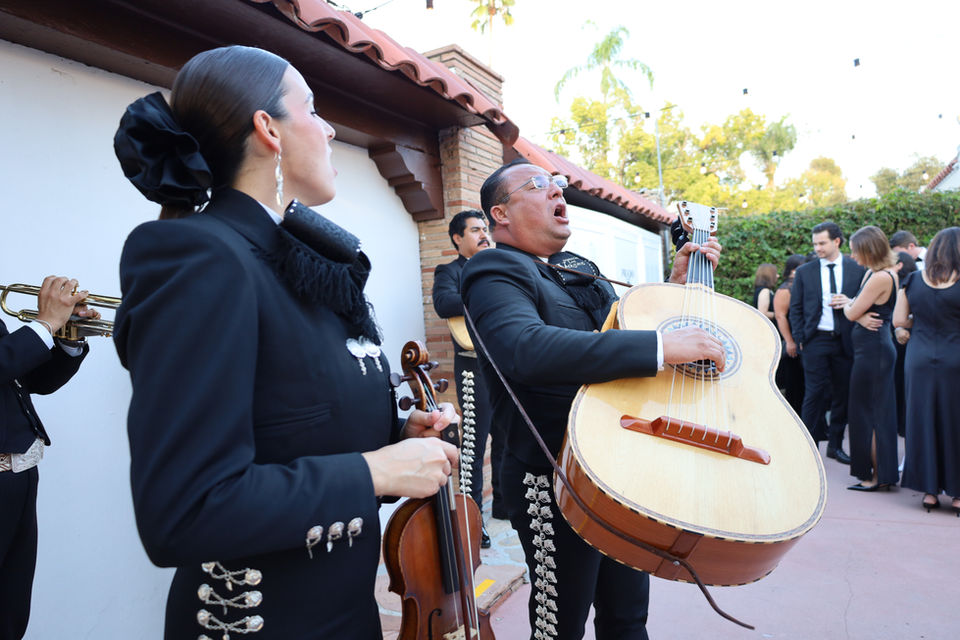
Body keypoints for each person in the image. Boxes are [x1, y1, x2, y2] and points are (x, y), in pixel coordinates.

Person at [111, 46, 459, 639]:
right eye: (314, 109)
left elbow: (292, 431)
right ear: (267, 128)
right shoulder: (201, 257)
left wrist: (399, 443)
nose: (327, 129)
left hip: (347, 616)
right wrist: (373, 472)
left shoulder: (302, 260)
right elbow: (184, 511)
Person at [461, 158, 725, 640]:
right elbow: (525, 348)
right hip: (553, 474)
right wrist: (664, 347)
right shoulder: (492, 269)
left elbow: (616, 336)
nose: (558, 193)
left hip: (618, 470)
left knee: (627, 617)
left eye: (560, 185)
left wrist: (674, 288)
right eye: (541, 186)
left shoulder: (575, 270)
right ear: (500, 214)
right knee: (560, 625)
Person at [1, 276, 97, 640]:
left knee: (10, 614)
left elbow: (24, 379)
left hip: (19, 476)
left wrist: (66, 335)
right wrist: (44, 324)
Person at [432, 210, 502, 547]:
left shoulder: (497, 266)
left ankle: (505, 505)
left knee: (507, 437)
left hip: (505, 363)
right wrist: (485, 296)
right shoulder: (450, 271)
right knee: (473, 445)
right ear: (458, 238)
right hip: (474, 367)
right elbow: (444, 303)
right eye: (475, 229)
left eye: (485, 228)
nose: (483, 234)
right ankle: (474, 522)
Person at [894, 227, 960, 513]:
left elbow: (899, 319)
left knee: (922, 421)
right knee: (955, 423)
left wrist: (918, 325)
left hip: (918, 358)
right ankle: (957, 494)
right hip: (955, 357)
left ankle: (929, 491)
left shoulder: (913, 280)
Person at [789, 221, 866, 464]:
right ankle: (807, 449)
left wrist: (850, 300)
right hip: (816, 340)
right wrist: (801, 338)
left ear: (837, 242)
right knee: (814, 393)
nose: (818, 248)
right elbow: (796, 308)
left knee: (842, 394)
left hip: (847, 339)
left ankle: (835, 446)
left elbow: (867, 299)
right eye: (815, 244)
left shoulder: (858, 269)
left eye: (822, 243)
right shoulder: (805, 272)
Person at [833, 226, 899, 491]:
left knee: (867, 413)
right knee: (871, 412)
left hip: (874, 351)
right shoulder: (876, 274)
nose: (852, 255)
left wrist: (853, 310)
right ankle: (879, 474)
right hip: (872, 349)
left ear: (869, 250)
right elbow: (857, 306)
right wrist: (855, 308)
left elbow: (850, 312)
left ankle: (872, 477)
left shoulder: (880, 277)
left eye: (855, 250)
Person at [773, 254, 806, 415]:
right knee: (794, 384)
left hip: (805, 340)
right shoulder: (785, 289)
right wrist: (789, 341)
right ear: (793, 270)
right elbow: (780, 316)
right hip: (792, 341)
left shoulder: (802, 285)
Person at [892, 251, 918, 437]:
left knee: (900, 385)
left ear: (899, 264)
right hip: (904, 340)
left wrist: (900, 326)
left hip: (905, 341)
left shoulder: (907, 283)